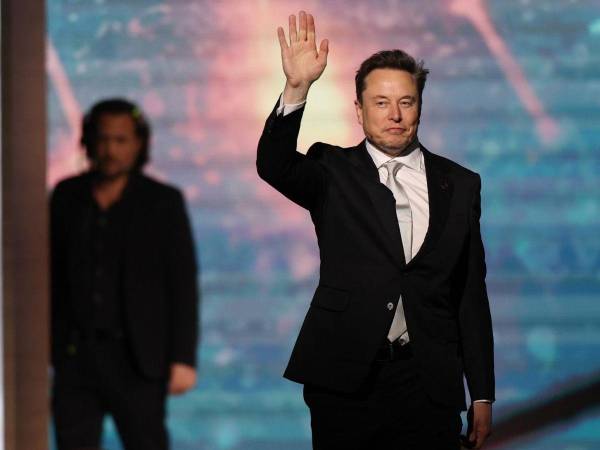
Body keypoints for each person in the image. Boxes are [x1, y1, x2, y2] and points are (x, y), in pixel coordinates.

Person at [257, 11, 494, 450]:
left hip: (428, 382)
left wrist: (481, 391)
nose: (395, 115)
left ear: (420, 106)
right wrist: (297, 89)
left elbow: (469, 293)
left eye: (406, 101)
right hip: (345, 378)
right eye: (381, 102)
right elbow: (273, 165)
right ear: (359, 110)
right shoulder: (332, 169)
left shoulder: (461, 184)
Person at [50, 98, 200, 450]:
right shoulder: (66, 197)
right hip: (75, 357)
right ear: (88, 141)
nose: (110, 150)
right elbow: (50, 277)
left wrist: (183, 358)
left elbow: (182, 285)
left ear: (139, 144)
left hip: (138, 359)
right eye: (103, 139)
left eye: (120, 140)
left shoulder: (163, 202)